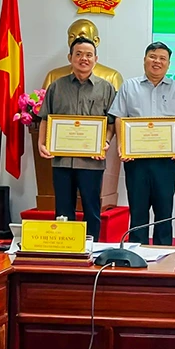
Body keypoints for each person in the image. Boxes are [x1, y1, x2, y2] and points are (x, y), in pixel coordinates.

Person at [108, 42, 175, 246]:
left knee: (164, 211)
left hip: (166, 160)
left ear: (168, 64)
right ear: (144, 59)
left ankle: (163, 252)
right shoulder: (129, 86)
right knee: (138, 210)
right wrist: (121, 145)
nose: (157, 62)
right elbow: (119, 117)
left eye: (162, 58)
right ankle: (137, 251)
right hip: (136, 160)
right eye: (153, 57)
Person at [37, 35, 116, 239]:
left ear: (95, 59)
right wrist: (41, 143)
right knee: (63, 210)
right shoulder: (56, 86)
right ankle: (66, 247)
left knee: (92, 208)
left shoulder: (106, 88)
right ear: (70, 57)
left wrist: (105, 142)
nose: (84, 59)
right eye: (79, 54)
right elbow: (45, 118)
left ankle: (92, 248)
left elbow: (111, 124)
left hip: (92, 161)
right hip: (62, 160)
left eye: (88, 55)